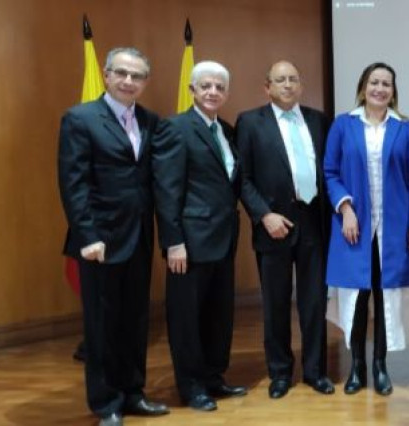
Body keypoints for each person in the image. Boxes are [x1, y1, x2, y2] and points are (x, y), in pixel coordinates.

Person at [57, 47, 168, 426]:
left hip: (138, 237)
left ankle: (134, 393)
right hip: (99, 242)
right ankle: (106, 404)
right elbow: (73, 184)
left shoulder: (151, 121)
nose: (128, 81)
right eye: (121, 73)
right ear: (105, 75)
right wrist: (87, 234)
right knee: (102, 326)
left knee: (136, 321)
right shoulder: (80, 119)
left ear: (145, 82)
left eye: (136, 76)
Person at [323, 62, 409, 396]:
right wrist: (346, 208)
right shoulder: (343, 125)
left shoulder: (404, 128)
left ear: (393, 91)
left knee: (386, 298)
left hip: (394, 231)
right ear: (363, 87)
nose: (380, 89)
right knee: (358, 297)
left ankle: (380, 366)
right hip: (353, 229)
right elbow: (330, 173)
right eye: (374, 82)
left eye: (386, 84)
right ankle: (357, 368)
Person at [152, 61, 247, 412]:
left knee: (218, 314)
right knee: (186, 318)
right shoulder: (175, 128)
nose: (213, 92)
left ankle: (212, 378)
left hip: (223, 239)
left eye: (219, 87)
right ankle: (191, 387)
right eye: (205, 86)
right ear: (192, 89)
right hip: (188, 244)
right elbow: (166, 190)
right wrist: (173, 241)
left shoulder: (226, 129)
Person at [236, 60, 334, 399]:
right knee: (275, 305)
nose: (288, 85)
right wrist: (264, 215)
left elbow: (329, 171)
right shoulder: (250, 122)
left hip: (314, 225)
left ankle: (315, 370)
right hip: (273, 226)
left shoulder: (318, 120)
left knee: (314, 304)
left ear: (301, 85)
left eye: (293, 79)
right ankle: (279, 373)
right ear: (267, 87)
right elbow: (243, 179)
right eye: (280, 80)